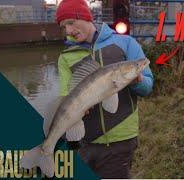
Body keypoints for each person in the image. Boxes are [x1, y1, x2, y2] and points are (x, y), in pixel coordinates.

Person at [56, 0, 154, 178]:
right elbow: (65, 97)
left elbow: (148, 87)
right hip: (84, 142)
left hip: (119, 141)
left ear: (86, 17)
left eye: (71, 22)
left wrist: (137, 81)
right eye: (64, 27)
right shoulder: (65, 57)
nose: (68, 31)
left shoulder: (126, 43)